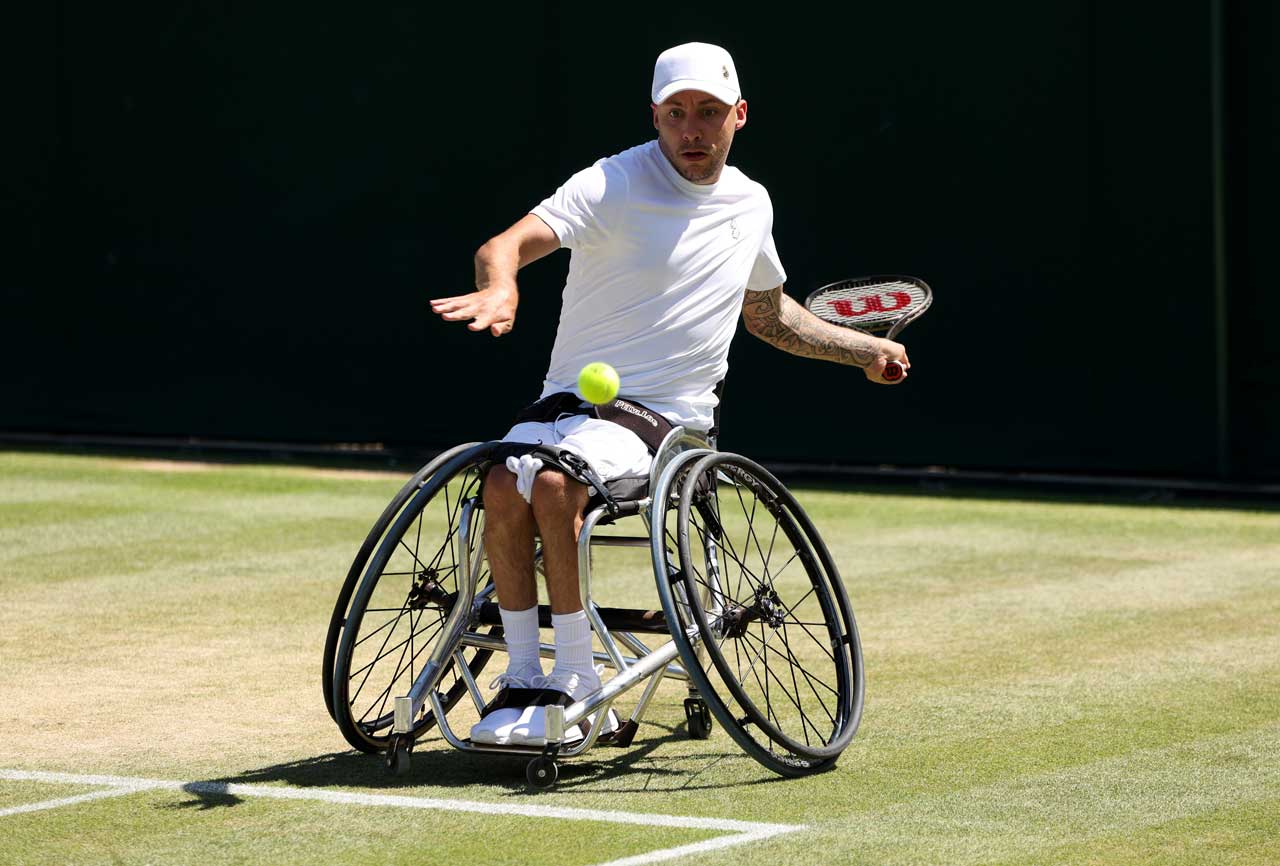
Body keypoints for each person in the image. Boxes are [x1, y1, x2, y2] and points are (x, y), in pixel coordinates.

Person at [430, 42, 909, 747]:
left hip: (669, 421)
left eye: (708, 113)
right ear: (654, 117)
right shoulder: (612, 183)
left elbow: (769, 316)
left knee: (556, 488)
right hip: (567, 403)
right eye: (676, 113)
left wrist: (864, 349)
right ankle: (524, 678)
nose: (692, 129)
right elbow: (505, 245)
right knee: (503, 481)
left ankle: (577, 681)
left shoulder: (751, 205)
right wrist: (501, 285)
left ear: (738, 116)